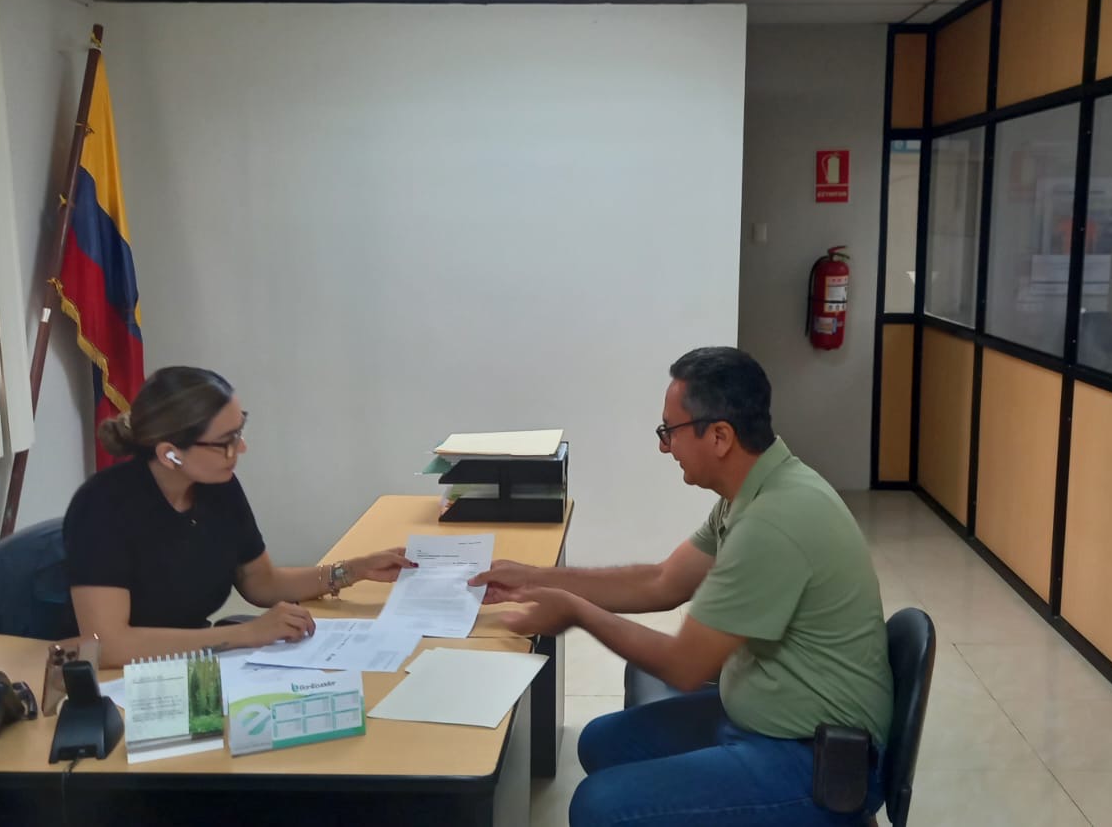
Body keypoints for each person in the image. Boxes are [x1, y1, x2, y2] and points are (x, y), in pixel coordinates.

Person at [471, 346, 893, 827]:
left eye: (669, 431)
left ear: (719, 436)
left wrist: (576, 612)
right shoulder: (756, 489)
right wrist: (535, 577)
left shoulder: (774, 523)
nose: (664, 447)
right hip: (768, 713)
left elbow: (685, 667)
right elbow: (662, 581)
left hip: (816, 762)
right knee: (601, 743)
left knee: (597, 806)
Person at [64, 366, 414, 667]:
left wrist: (353, 570)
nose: (241, 449)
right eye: (226, 441)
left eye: (239, 431)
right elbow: (107, 645)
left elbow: (261, 583)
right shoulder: (103, 506)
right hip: (120, 678)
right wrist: (246, 634)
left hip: (194, 661)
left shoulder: (217, 487)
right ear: (170, 454)